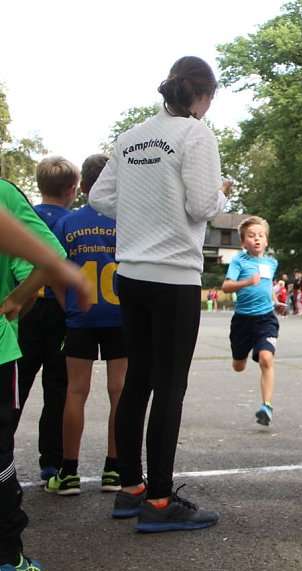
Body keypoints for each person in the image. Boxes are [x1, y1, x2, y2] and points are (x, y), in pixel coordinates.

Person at [89, 55, 230, 532]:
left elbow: (99, 197)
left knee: (138, 381)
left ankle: (131, 487)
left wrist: (142, 209)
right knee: (170, 386)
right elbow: (203, 205)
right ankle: (161, 499)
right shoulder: (196, 134)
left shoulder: (130, 137)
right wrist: (223, 194)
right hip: (174, 274)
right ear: (203, 95)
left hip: (131, 272)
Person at [0, 175, 91, 571]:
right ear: (73, 188)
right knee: (58, 391)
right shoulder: (8, 195)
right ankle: (7, 554)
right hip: (33, 326)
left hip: (26, 328)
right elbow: (44, 258)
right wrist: (60, 274)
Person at [45, 154, 127, 497]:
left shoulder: (69, 222)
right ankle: (114, 469)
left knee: (76, 392)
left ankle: (68, 472)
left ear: (83, 186)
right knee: (119, 391)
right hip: (119, 315)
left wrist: (68, 308)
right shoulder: (126, 221)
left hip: (81, 315)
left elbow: (55, 272)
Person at [13, 156, 78, 485]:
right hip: (59, 309)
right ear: (72, 189)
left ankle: (4, 452)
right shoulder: (73, 222)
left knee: (17, 384)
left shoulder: (24, 216)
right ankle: (51, 461)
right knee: (57, 388)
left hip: (26, 305)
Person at [222, 216, 284, 426]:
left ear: (266, 241)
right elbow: (226, 286)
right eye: (251, 235)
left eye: (261, 235)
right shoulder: (239, 261)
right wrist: (247, 282)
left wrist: (275, 301)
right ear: (243, 242)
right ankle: (244, 352)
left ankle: (266, 406)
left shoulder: (271, 263)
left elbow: (267, 285)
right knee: (238, 366)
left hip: (266, 318)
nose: (257, 238)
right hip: (242, 320)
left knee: (266, 359)